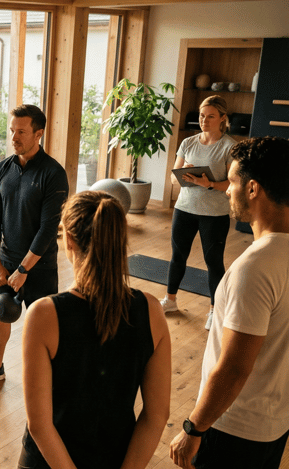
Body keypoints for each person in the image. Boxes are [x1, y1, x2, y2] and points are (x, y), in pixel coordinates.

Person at [18, 191, 171, 469]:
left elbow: (40, 425)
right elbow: (157, 416)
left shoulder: (43, 315)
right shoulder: (151, 310)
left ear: (71, 241)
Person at [170, 136, 289, 469]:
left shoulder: (255, 268)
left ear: (253, 189)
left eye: (233, 181)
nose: (226, 190)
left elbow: (235, 368)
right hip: (275, 424)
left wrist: (194, 427)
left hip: (235, 428)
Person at [0, 103, 69, 388]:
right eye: (12, 130)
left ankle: (44, 377)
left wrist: (24, 268)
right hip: (6, 260)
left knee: (41, 322)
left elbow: (49, 228)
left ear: (38, 133)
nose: (14, 137)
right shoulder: (2, 170)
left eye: (21, 132)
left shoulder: (53, 174)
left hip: (39, 264)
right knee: (0, 313)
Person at [161, 96, 236, 330]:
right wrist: (183, 173)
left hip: (214, 214)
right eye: (202, 115)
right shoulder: (188, 143)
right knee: (177, 257)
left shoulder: (229, 147)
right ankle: (170, 301)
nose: (204, 120)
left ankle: (215, 310)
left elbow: (233, 184)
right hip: (184, 209)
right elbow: (174, 179)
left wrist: (210, 185)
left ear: (223, 118)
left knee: (213, 262)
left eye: (210, 116)